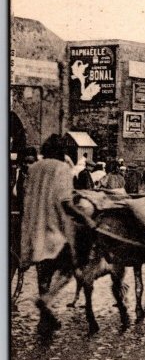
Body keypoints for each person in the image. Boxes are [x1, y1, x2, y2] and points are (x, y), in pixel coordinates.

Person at [20, 134, 95, 330]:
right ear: (62, 152)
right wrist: (86, 219)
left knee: (43, 274)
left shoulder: (34, 168)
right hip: (55, 232)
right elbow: (65, 203)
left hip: (34, 231)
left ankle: (44, 318)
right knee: (69, 268)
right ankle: (46, 301)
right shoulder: (61, 169)